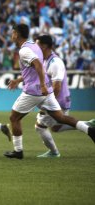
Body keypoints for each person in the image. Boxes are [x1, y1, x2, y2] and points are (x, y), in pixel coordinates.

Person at [5, 24, 95, 159]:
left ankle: (18, 151)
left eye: (12, 33)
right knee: (60, 118)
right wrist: (18, 80)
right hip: (47, 91)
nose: (11, 35)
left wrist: (41, 85)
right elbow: (35, 69)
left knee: (14, 118)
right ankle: (89, 130)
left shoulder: (24, 51)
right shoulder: (34, 46)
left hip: (33, 91)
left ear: (16, 34)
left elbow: (38, 65)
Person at [34, 35, 95, 158]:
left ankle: (54, 152)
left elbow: (57, 87)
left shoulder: (55, 63)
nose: (35, 47)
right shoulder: (45, 60)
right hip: (59, 100)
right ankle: (87, 124)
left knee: (40, 126)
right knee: (56, 127)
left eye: (37, 45)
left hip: (59, 101)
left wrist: (47, 105)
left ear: (44, 46)